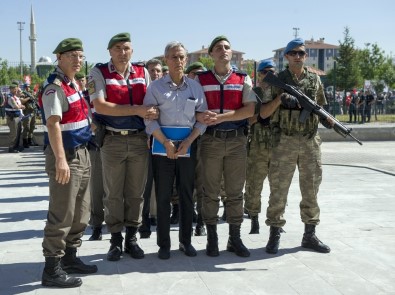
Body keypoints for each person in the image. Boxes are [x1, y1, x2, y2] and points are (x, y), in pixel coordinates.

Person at [88, 32, 158, 261]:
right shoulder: (99, 72)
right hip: (113, 140)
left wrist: (151, 115)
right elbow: (100, 106)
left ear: (132, 51)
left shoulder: (142, 72)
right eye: (117, 48)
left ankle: (132, 238)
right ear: (109, 51)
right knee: (113, 194)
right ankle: (115, 240)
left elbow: (151, 104)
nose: (122, 52)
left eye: (126, 48)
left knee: (136, 193)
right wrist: (137, 110)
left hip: (139, 139)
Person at [260, 38, 331, 255]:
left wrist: (330, 121)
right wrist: (280, 99)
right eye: (293, 53)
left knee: (311, 188)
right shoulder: (277, 80)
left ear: (305, 56)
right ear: (287, 57)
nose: (298, 57)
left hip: (310, 141)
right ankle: (274, 233)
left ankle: (309, 234)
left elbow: (321, 108)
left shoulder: (314, 80)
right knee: (278, 189)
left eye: (301, 53)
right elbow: (263, 113)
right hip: (284, 141)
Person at [39, 38, 97, 288]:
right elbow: (52, 124)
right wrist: (61, 160)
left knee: (81, 211)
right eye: (72, 55)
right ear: (59, 58)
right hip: (67, 156)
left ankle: (70, 257)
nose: (77, 60)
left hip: (82, 153)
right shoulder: (55, 87)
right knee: (62, 213)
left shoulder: (73, 84)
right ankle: (52, 268)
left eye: (81, 56)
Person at [143, 41, 207, 260]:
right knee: (162, 197)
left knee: (187, 196)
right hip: (162, 150)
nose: (178, 61)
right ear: (166, 60)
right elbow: (149, 121)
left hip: (187, 149)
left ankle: (185, 241)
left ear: (186, 60)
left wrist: (188, 142)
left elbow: (202, 119)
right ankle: (163, 244)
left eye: (181, 57)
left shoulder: (195, 88)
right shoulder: (155, 87)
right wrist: (167, 143)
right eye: (173, 57)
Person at [196, 36, 256, 258]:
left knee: (234, 192)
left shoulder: (243, 78)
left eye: (227, 47)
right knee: (210, 191)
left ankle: (235, 238)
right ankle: (212, 238)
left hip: (236, 141)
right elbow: (191, 109)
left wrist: (220, 117)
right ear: (210, 54)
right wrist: (199, 115)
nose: (224, 51)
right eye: (219, 48)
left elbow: (249, 110)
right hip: (210, 141)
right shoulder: (200, 80)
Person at [243, 59, 279, 235]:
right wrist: (262, 114)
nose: (270, 75)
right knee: (254, 185)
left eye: (272, 72)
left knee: (278, 186)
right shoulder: (254, 92)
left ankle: (275, 221)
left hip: (277, 144)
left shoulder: (281, 91)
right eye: (266, 72)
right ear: (260, 75)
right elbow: (250, 118)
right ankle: (254, 218)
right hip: (258, 144)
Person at [76, 72, 105, 241]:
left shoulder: (109, 94)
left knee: (115, 190)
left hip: (113, 141)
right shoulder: (83, 97)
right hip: (95, 145)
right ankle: (97, 225)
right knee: (96, 188)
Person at [139, 58, 163, 239]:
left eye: (158, 70)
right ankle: (143, 221)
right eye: (152, 70)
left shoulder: (166, 90)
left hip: (163, 142)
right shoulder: (143, 92)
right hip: (145, 142)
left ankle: (160, 219)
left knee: (161, 184)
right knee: (144, 185)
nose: (155, 73)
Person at [185, 61, 207, 236]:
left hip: (203, 142)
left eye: (201, 74)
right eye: (194, 74)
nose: (198, 77)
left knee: (202, 183)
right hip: (184, 141)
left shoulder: (204, 93)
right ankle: (186, 214)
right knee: (185, 182)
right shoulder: (184, 91)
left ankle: (201, 221)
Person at [5, 82, 26, 153]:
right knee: (14, 134)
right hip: (12, 118)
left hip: (17, 117)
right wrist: (21, 106)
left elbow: (18, 104)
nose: (16, 90)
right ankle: (11, 147)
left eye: (16, 89)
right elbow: (15, 106)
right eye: (14, 89)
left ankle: (16, 146)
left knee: (18, 133)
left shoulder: (14, 96)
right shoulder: (10, 97)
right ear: (11, 89)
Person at [20, 83, 38, 148]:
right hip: (27, 112)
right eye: (26, 87)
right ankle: (25, 142)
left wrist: (33, 96)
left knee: (32, 127)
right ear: (24, 87)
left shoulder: (31, 93)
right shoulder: (23, 94)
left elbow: (36, 100)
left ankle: (30, 141)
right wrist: (28, 97)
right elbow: (22, 101)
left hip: (33, 111)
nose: (28, 88)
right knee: (26, 127)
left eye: (29, 87)